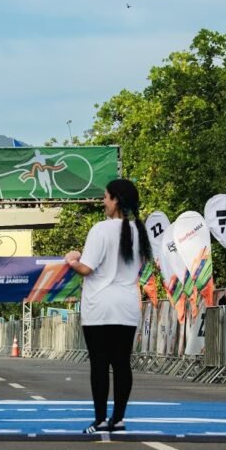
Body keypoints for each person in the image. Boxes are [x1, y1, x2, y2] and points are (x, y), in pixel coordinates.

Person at [63, 178, 152, 434]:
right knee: (122, 363)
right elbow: (140, 266)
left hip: (99, 305)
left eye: (105, 197)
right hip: (127, 305)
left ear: (115, 200)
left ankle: (100, 419)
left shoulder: (100, 230)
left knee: (100, 364)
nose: (103, 201)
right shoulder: (140, 231)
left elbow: (86, 268)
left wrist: (71, 259)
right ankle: (119, 419)